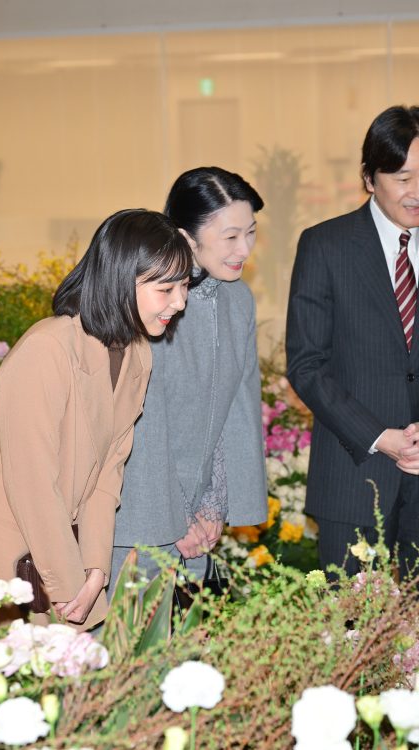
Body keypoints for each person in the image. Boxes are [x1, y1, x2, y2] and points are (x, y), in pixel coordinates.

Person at [0, 209, 191, 628]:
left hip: (55, 556)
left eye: (184, 286)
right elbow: (34, 485)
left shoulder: (137, 354)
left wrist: (96, 568)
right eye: (166, 288)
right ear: (121, 280)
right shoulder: (47, 350)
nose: (180, 302)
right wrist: (72, 588)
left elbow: (107, 476)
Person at [286, 105, 419, 579]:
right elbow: (307, 365)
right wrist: (380, 436)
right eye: (403, 177)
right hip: (353, 476)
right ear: (369, 177)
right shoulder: (325, 246)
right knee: (351, 640)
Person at [112, 167, 268, 585]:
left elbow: (236, 407)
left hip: (198, 524)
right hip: (138, 514)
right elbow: (141, 421)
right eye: (230, 237)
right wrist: (179, 516)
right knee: (126, 644)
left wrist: (214, 506)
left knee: (187, 645)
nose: (244, 249)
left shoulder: (237, 299)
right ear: (185, 237)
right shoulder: (151, 300)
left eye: (250, 232)